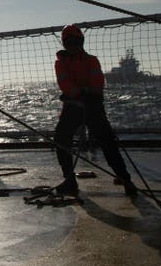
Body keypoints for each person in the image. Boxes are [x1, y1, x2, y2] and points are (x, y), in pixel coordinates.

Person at [52, 25, 138, 197]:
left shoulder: (92, 61)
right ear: (64, 44)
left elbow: (97, 81)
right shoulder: (60, 63)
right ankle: (69, 180)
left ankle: (125, 179)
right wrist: (79, 95)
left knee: (108, 143)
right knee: (61, 141)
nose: (73, 45)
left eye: (75, 41)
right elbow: (65, 83)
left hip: (93, 106)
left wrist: (90, 96)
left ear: (81, 42)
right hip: (73, 107)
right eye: (69, 42)